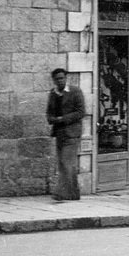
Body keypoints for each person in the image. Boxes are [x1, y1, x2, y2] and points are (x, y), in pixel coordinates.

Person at [46, 68, 85, 201]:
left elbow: (81, 112)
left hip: (72, 132)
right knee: (64, 164)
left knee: (66, 161)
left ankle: (61, 192)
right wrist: (51, 119)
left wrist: (63, 118)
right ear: (54, 80)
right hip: (59, 133)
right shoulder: (53, 94)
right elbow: (49, 112)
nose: (60, 81)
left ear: (66, 78)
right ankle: (74, 193)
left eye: (62, 78)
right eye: (57, 79)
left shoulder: (75, 92)